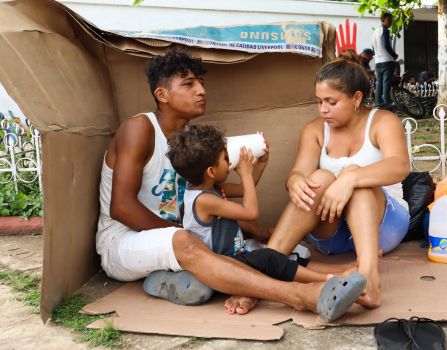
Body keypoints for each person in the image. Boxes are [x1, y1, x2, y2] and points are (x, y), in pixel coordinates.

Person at [95, 48, 366, 321]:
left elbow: (218, 200)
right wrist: (187, 234)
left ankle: (331, 275)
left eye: (201, 82)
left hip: (171, 239)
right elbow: (121, 207)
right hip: (123, 242)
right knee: (190, 241)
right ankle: (301, 296)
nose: (201, 90)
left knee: (255, 249)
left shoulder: (188, 142)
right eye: (189, 84)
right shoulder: (140, 129)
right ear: (162, 95)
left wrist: (254, 230)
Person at [229, 58, 408, 314]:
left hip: (382, 226)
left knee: (358, 181)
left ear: (356, 98)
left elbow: (400, 166)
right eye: (319, 101)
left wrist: (350, 179)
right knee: (320, 178)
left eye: (331, 102)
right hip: (332, 235)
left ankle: (370, 279)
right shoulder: (315, 130)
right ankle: (264, 268)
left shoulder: (382, 121)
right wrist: (295, 183)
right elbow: (297, 173)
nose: (322, 109)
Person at [166, 124, 341, 287]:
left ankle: (343, 270)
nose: (230, 162)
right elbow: (251, 212)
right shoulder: (204, 200)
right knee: (270, 258)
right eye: (226, 159)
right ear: (211, 172)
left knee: (286, 257)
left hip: (233, 256)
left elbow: (245, 189)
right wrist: (245, 173)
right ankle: (326, 280)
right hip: (222, 266)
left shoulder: (208, 188)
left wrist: (260, 163)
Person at [371, 12, 398, 107]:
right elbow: (387, 45)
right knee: (387, 82)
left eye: (391, 20)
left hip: (378, 62)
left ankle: (378, 102)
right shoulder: (385, 31)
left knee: (379, 83)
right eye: (389, 20)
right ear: (382, 20)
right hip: (387, 61)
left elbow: (373, 49)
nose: (390, 22)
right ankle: (387, 101)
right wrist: (394, 55)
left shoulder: (374, 33)